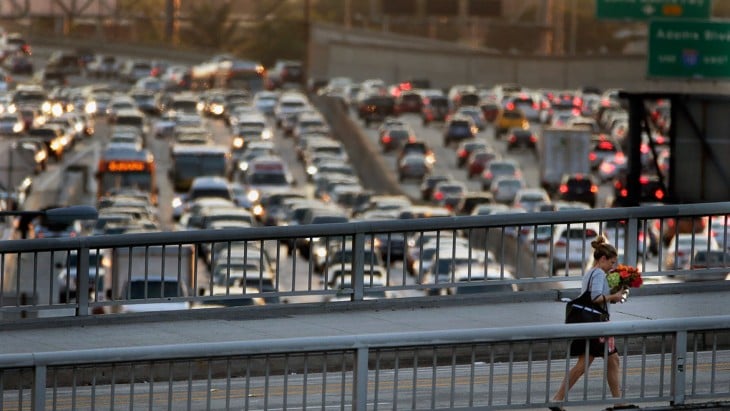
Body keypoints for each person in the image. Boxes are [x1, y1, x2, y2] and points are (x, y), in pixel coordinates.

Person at [550, 236, 635, 411]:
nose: (613, 267)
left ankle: (617, 401)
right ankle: (557, 398)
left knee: (612, 360)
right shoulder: (598, 273)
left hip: (593, 324)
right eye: (611, 263)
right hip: (597, 326)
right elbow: (595, 298)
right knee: (587, 364)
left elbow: (596, 298)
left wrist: (613, 296)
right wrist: (615, 296)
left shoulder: (591, 272)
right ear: (602, 259)